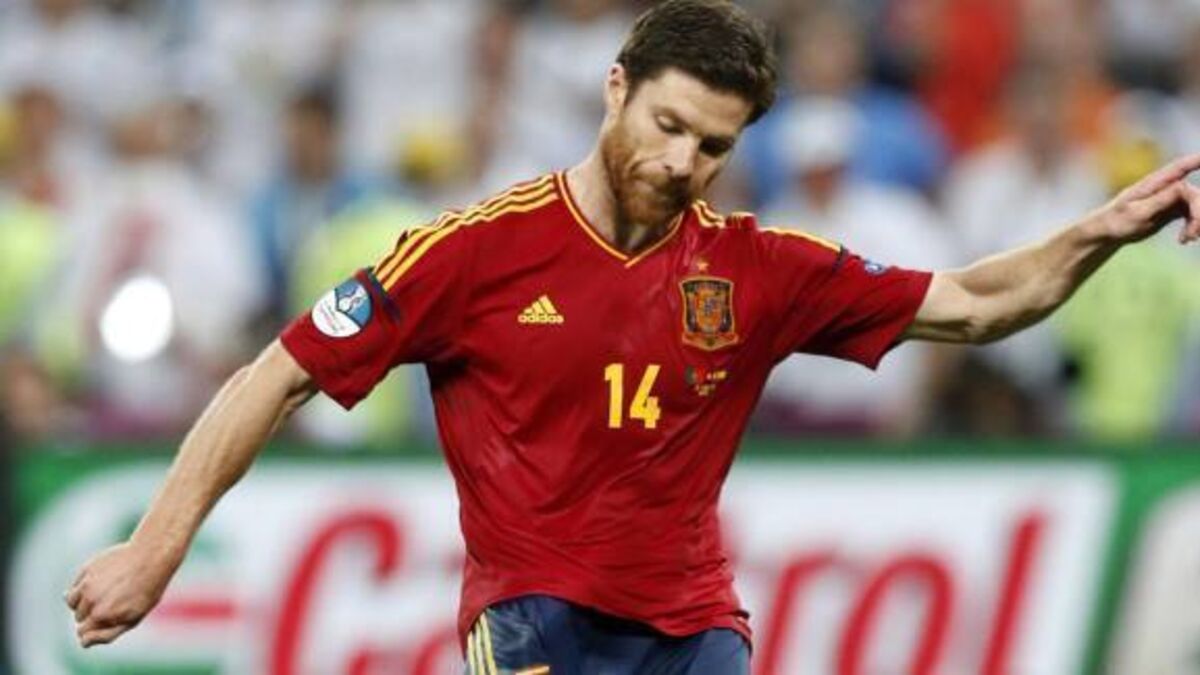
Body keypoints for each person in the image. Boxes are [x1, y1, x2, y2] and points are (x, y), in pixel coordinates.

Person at [64, 1, 1200, 672]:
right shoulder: (472, 253)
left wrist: (1099, 230)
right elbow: (275, 375)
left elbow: (978, 302)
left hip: (695, 631)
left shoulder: (757, 269)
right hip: (535, 619)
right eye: (667, 125)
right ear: (614, 91)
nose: (681, 162)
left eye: (712, 146)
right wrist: (155, 550)